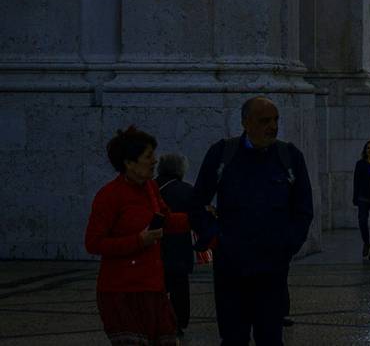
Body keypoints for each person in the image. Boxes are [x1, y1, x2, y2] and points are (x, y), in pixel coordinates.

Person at [192, 97, 314, 346]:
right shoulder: (222, 154)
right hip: (231, 267)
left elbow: (303, 209)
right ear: (246, 123)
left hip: (272, 267)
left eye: (276, 120)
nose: (272, 126)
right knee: (233, 337)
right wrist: (215, 237)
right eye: (264, 121)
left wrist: (288, 245)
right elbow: (197, 203)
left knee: (270, 337)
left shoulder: (289, 156)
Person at [86, 127, 189, 345]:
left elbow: (166, 220)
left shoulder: (151, 187)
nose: (154, 161)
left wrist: (199, 219)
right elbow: (93, 243)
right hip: (122, 293)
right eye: (148, 156)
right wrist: (138, 241)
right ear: (129, 163)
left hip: (153, 289)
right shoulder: (109, 196)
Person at [155, 153, 197, 337]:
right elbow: (198, 219)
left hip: (154, 247)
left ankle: (157, 322)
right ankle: (178, 323)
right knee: (179, 288)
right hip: (179, 248)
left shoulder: (149, 188)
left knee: (157, 289)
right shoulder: (187, 190)